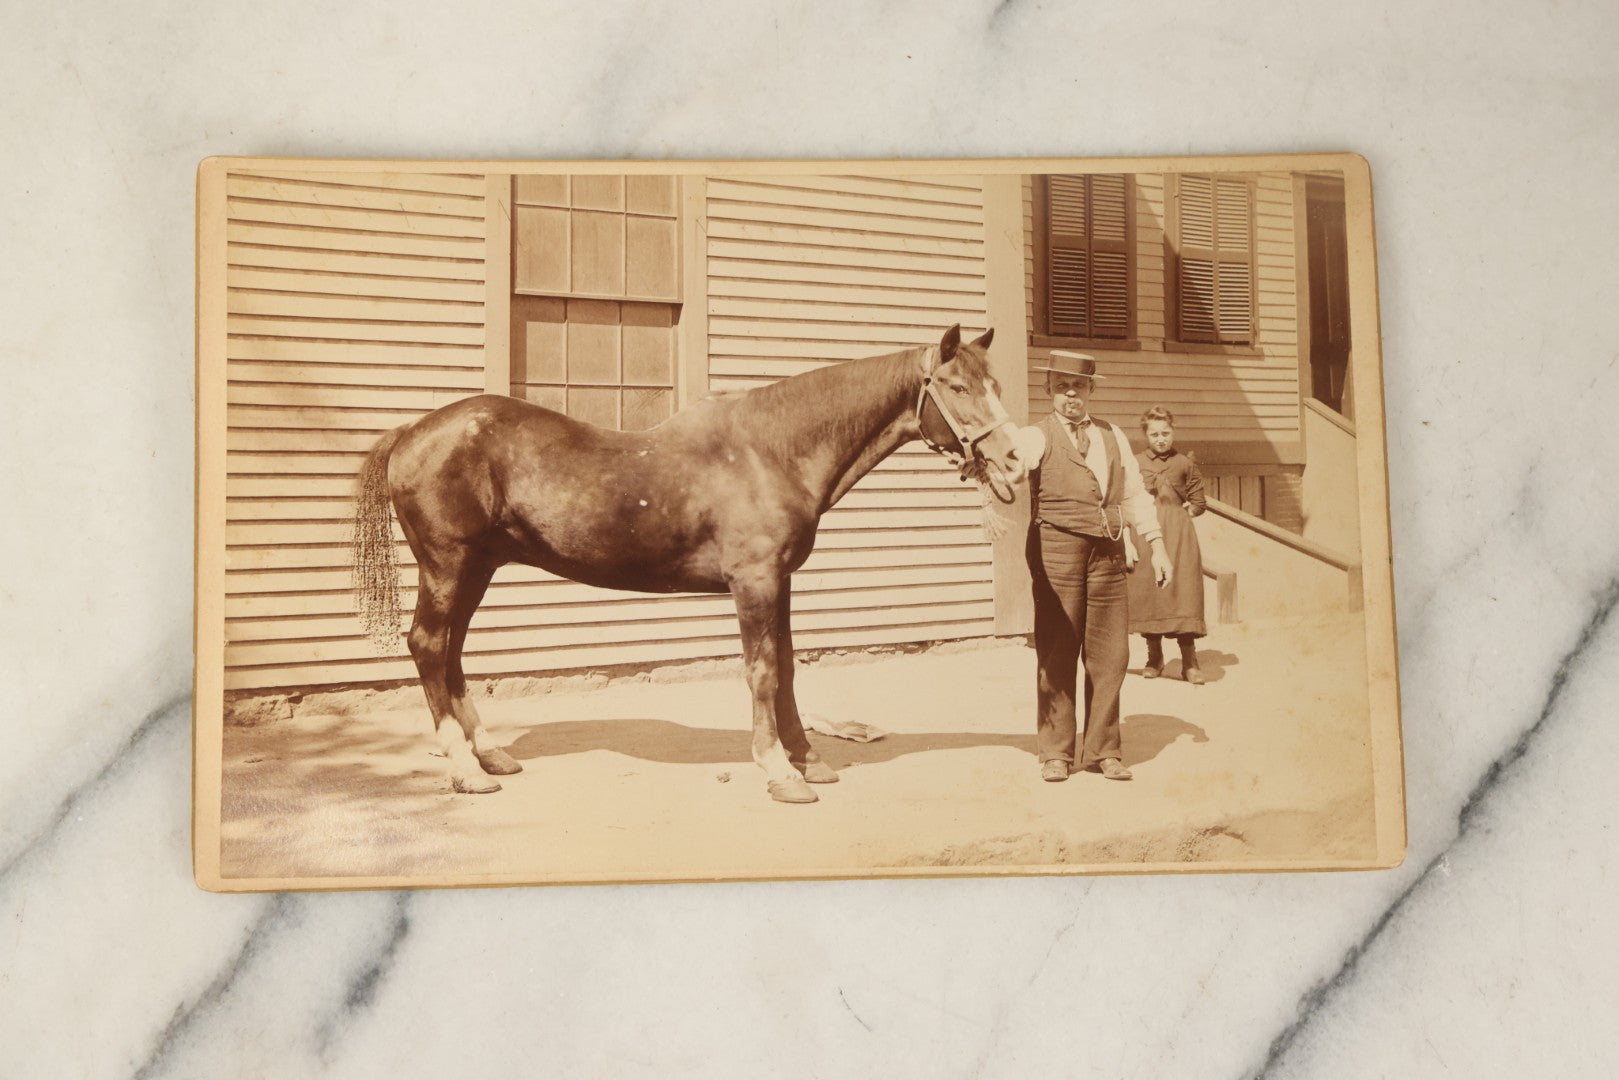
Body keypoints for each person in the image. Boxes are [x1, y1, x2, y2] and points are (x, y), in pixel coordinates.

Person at [1018, 352, 1171, 783]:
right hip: (1056, 549)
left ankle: (1104, 750)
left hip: (1108, 549)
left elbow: (1134, 494)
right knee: (1057, 648)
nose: (1071, 395)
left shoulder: (1112, 435)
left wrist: (1157, 545)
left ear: (1091, 390)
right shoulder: (1034, 436)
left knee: (1111, 652)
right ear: (1048, 389)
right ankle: (1056, 752)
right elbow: (1011, 464)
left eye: (1079, 387)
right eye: (1062, 387)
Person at [1125, 406, 1209, 684]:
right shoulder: (1135, 462)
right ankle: (1154, 658)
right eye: (1154, 434)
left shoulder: (1185, 463)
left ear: (1173, 432)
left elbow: (1199, 502)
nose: (1160, 439)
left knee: (1183, 594)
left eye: (1165, 433)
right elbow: (1126, 499)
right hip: (1147, 534)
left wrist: (1181, 517)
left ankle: (1189, 663)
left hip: (1179, 536)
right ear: (1145, 435)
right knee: (1151, 594)